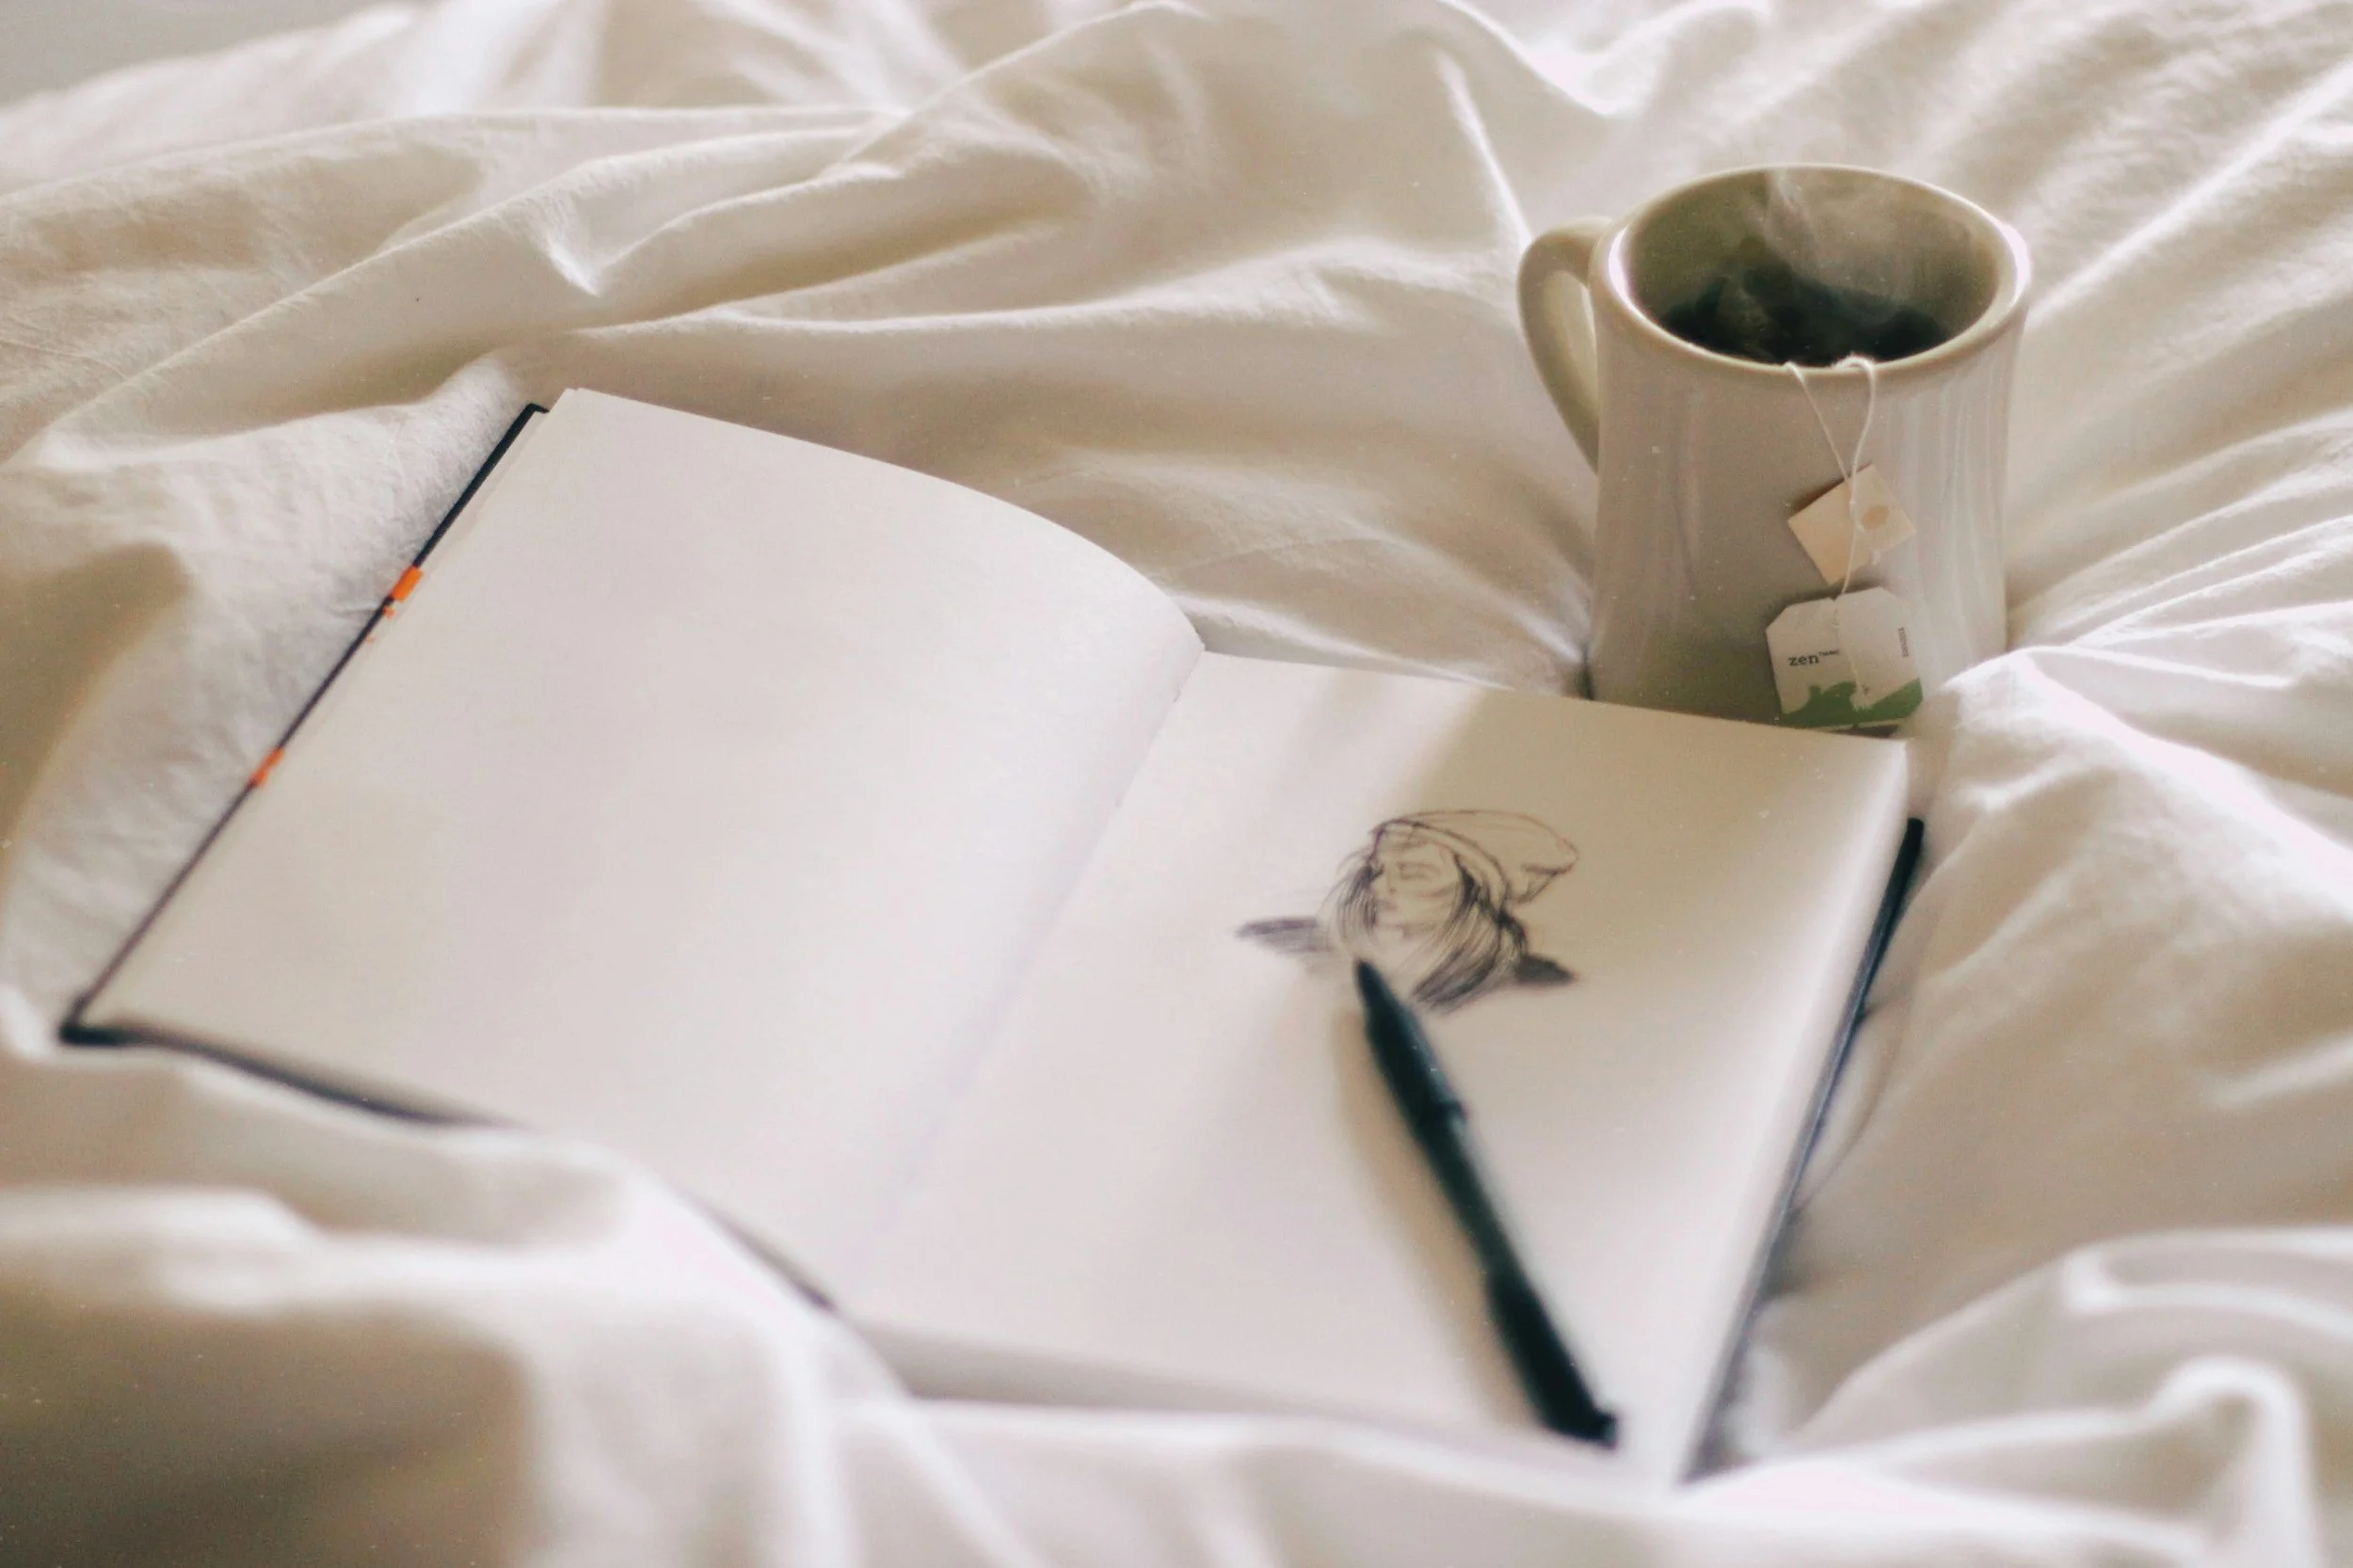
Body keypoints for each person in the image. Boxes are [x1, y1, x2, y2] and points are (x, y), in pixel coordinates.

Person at [1237, 809, 1577, 1013]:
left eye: (1415, 873)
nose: (1380, 887)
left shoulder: (1523, 984)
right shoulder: (1295, 943)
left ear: (1475, 892)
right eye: (1377, 869)